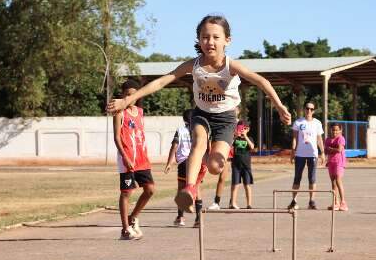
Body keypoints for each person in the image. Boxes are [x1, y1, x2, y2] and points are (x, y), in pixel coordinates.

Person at [108, 14, 291, 214]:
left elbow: (261, 81)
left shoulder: (231, 66)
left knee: (214, 167)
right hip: (202, 114)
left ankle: (206, 165)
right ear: (199, 40)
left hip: (226, 118)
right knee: (198, 143)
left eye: (215, 37)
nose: (210, 42)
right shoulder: (193, 65)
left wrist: (279, 106)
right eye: (205, 37)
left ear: (227, 40)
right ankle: (190, 188)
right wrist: (127, 100)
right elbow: (162, 81)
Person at [113, 79, 156, 240]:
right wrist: (125, 157)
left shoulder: (140, 111)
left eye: (134, 95)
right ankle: (125, 229)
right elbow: (117, 137)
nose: (131, 97)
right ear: (123, 95)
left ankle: (133, 217)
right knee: (127, 193)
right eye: (127, 95)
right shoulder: (119, 113)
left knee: (150, 190)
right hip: (127, 159)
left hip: (142, 159)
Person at [164, 109, 207, 227]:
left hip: (184, 162)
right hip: (197, 162)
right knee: (197, 189)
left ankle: (180, 217)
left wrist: (169, 162)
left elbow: (174, 146)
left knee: (181, 189)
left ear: (184, 119)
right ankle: (198, 219)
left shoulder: (181, 130)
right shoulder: (200, 130)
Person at [288, 101, 325, 210]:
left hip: (312, 154)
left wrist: (322, 153)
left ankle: (311, 201)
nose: (309, 111)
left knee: (312, 178)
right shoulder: (298, 122)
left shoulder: (317, 123)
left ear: (314, 111)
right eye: (307, 108)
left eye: (311, 109)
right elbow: (294, 138)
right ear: (304, 109)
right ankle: (294, 201)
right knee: (297, 178)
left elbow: (319, 139)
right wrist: (293, 151)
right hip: (300, 154)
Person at [229, 121, 255, 209]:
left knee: (247, 185)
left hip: (246, 166)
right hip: (236, 165)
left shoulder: (250, 138)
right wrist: (236, 135)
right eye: (240, 128)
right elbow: (229, 145)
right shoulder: (235, 138)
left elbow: (252, 147)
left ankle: (249, 204)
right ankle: (233, 203)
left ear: (248, 129)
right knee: (235, 184)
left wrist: (245, 136)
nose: (242, 130)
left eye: (244, 128)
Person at [325, 122, 348, 211]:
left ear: (340, 130)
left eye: (337, 130)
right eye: (333, 130)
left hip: (339, 162)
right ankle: (336, 202)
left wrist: (330, 149)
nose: (335, 132)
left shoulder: (341, 138)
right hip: (331, 162)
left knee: (338, 179)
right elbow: (326, 151)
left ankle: (343, 202)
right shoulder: (327, 139)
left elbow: (339, 150)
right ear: (330, 130)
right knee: (333, 182)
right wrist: (330, 150)